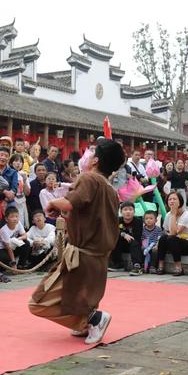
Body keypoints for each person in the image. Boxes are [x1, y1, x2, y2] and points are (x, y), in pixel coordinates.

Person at [29, 138, 126, 345]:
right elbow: (84, 210)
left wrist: (54, 202)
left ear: (96, 160)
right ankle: (85, 323)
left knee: (38, 301)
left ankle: (93, 319)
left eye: (91, 153)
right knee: (80, 297)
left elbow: (71, 202)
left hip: (82, 255)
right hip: (97, 257)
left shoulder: (90, 179)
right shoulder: (109, 188)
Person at [156, 191, 188, 276]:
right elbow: (166, 231)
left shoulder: (187, 215)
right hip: (176, 243)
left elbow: (173, 233)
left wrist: (174, 214)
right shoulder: (168, 214)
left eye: (174, 199)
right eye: (169, 199)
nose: (172, 201)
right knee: (163, 238)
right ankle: (160, 265)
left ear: (180, 202)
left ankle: (178, 267)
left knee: (172, 238)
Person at [110, 202, 143, 273]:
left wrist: (128, 236)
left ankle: (137, 265)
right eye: (125, 209)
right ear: (121, 212)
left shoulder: (138, 221)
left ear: (134, 212)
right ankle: (118, 264)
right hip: (121, 244)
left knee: (133, 241)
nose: (128, 212)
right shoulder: (117, 220)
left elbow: (137, 236)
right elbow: (113, 232)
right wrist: (123, 234)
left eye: (130, 209)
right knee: (114, 239)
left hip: (133, 245)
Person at [0, 206, 30, 271]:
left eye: (16, 216)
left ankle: (21, 265)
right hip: (3, 249)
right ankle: (8, 265)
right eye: (12, 217)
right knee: (4, 258)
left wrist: (18, 239)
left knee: (26, 243)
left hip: (13, 245)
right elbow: (8, 248)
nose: (15, 219)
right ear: (6, 219)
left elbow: (25, 235)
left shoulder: (18, 223)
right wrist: (13, 263)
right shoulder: (3, 230)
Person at [9, 153, 30, 229]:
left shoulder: (23, 174)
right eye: (16, 161)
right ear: (11, 162)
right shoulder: (8, 174)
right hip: (11, 202)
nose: (18, 163)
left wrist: (24, 180)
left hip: (21, 202)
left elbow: (27, 193)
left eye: (21, 162)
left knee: (20, 224)